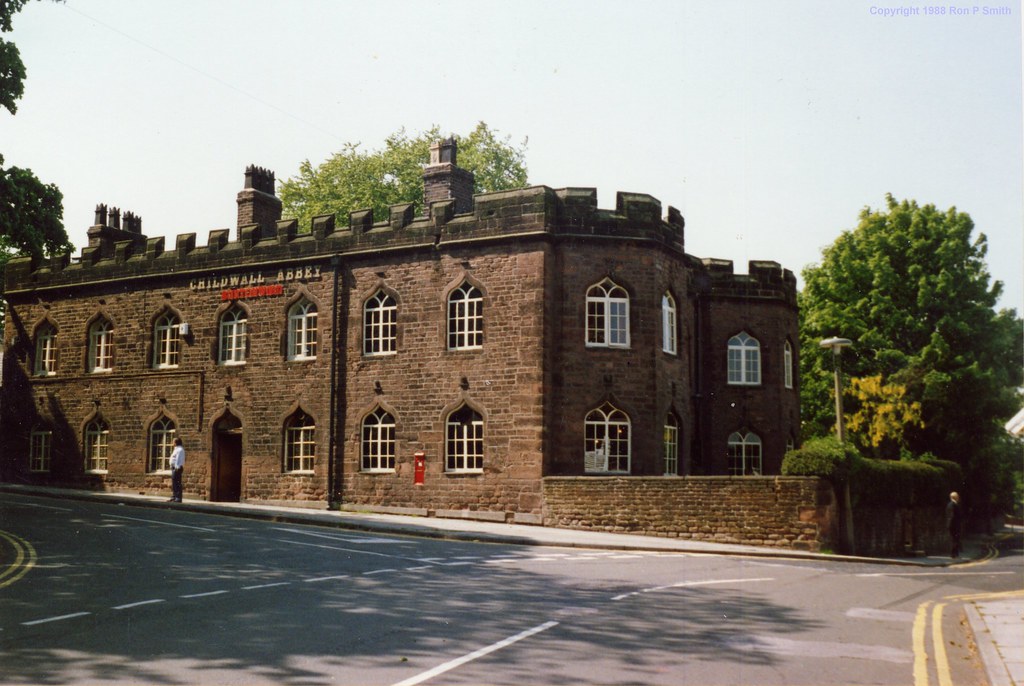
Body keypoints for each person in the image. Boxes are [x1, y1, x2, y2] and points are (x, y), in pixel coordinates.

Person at [946, 491, 963, 558]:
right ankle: (953, 554)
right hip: (954, 525)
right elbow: (953, 516)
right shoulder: (954, 505)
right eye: (957, 496)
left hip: (951, 525)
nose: (958, 497)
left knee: (954, 540)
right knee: (955, 539)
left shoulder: (949, 504)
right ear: (955, 497)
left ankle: (955, 554)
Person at [168, 438, 185, 503]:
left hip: (177, 468)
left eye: (173, 442)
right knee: (174, 483)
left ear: (176, 443)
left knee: (177, 483)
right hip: (174, 468)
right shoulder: (176, 449)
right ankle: (174, 496)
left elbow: (178, 459)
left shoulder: (180, 450)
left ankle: (178, 498)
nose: (172, 443)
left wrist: (176, 467)